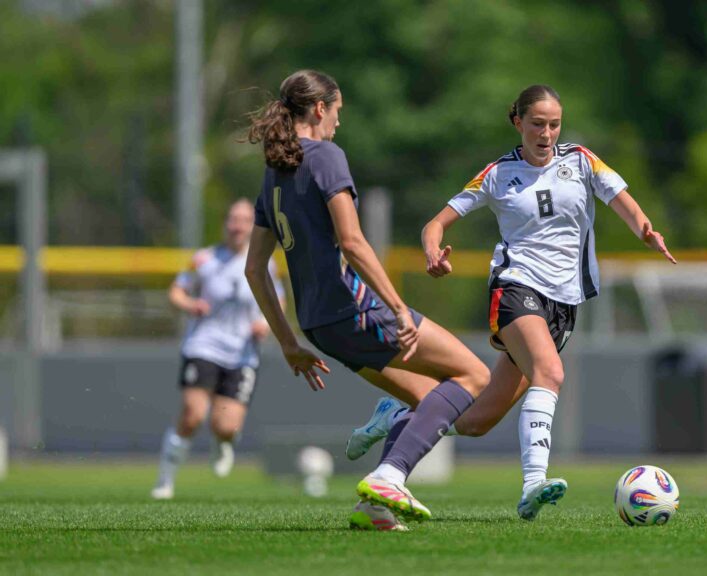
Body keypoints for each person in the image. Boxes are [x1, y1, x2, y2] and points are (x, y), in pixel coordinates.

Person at [346, 84, 676, 520]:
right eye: (537, 124)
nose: (547, 133)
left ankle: (399, 413)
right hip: (516, 288)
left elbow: (623, 201)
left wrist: (645, 231)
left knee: (474, 422)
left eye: (554, 124)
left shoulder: (581, 160)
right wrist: (432, 252)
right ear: (518, 122)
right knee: (550, 372)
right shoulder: (498, 174)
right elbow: (435, 224)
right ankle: (533, 484)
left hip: (564, 302)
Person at [243, 69, 490, 524]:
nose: (338, 122)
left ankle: (375, 504)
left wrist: (288, 341)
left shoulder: (274, 173)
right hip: (355, 308)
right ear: (320, 108)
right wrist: (398, 308)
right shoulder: (326, 156)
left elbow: (254, 269)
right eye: (337, 111)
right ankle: (391, 475)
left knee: (427, 401)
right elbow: (353, 243)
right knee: (473, 374)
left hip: (319, 326)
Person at [152, 199, 285, 500]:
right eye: (233, 219)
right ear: (226, 224)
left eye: (244, 220)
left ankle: (223, 441)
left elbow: (278, 301)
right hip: (204, 346)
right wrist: (190, 304)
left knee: (225, 426)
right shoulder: (204, 259)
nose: (238, 226)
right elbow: (176, 291)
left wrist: (264, 323)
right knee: (192, 414)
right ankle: (165, 479)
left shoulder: (266, 263)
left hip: (242, 354)